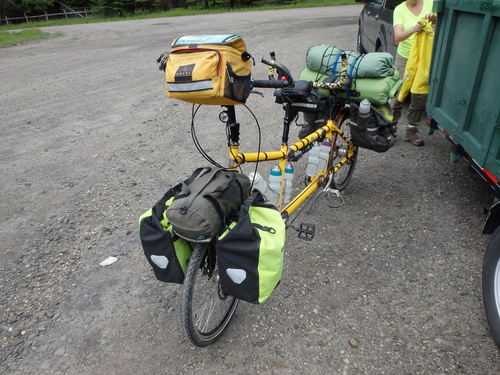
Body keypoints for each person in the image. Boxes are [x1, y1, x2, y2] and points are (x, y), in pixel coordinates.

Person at [393, 0, 434, 146]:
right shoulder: (399, 9)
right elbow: (397, 37)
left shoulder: (431, 3)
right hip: (405, 57)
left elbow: (443, 25)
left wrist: (435, 19)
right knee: (398, 94)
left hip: (425, 57)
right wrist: (414, 29)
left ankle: (411, 132)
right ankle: (389, 129)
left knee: (419, 95)